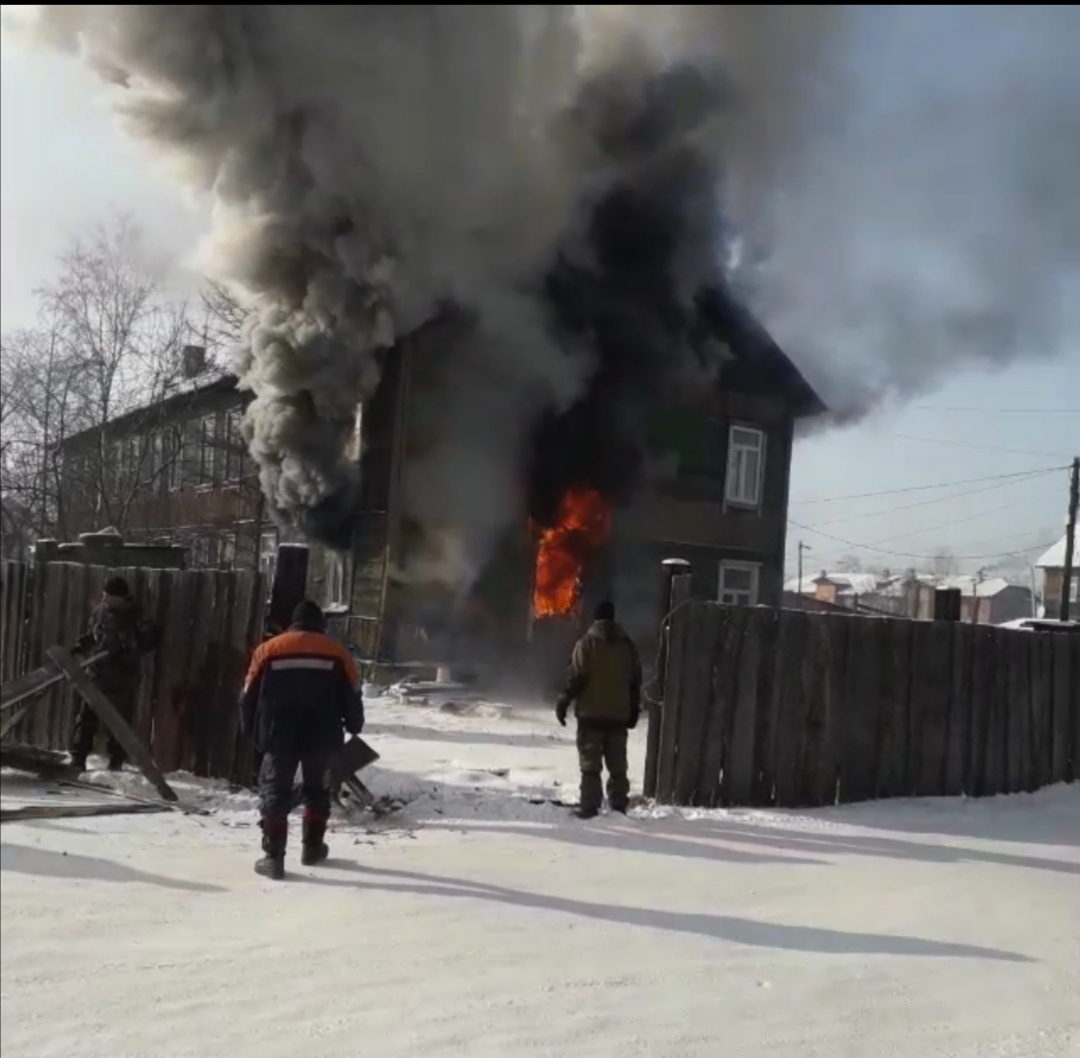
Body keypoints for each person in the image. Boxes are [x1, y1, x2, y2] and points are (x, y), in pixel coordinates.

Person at [240, 599, 365, 880]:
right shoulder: (337, 652)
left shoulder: (268, 650)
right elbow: (353, 692)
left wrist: (250, 730)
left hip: (278, 732)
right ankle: (312, 848)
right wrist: (354, 724)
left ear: (292, 624)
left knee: (275, 791)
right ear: (320, 623)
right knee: (317, 790)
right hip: (323, 731)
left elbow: (248, 694)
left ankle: (274, 858)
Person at [555, 599, 643, 819]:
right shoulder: (628, 646)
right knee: (618, 766)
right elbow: (635, 681)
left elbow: (577, 676)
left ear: (595, 618)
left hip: (590, 716)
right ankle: (619, 806)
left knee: (590, 765)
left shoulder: (587, 644)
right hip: (617, 717)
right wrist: (633, 710)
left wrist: (564, 701)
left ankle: (590, 807)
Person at [69, 575, 158, 773]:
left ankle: (116, 761)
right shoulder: (99, 612)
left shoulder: (136, 616)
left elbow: (149, 641)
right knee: (86, 717)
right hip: (96, 673)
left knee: (118, 721)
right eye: (104, 595)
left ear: (121, 598)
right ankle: (78, 758)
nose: (105, 600)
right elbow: (92, 635)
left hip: (121, 677)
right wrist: (80, 647)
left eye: (109, 597)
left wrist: (127, 646)